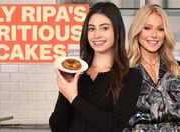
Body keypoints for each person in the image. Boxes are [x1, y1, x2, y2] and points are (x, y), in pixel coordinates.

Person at [49, 2, 142, 132]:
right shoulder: (76, 73)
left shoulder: (131, 76)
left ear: (117, 31)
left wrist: (74, 98)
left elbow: (115, 126)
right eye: (91, 28)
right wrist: (65, 91)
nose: (96, 35)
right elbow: (57, 127)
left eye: (104, 28)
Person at [125, 4, 180, 131]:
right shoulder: (124, 72)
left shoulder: (177, 69)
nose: (154, 35)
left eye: (160, 29)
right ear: (137, 31)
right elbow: (119, 123)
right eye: (147, 28)